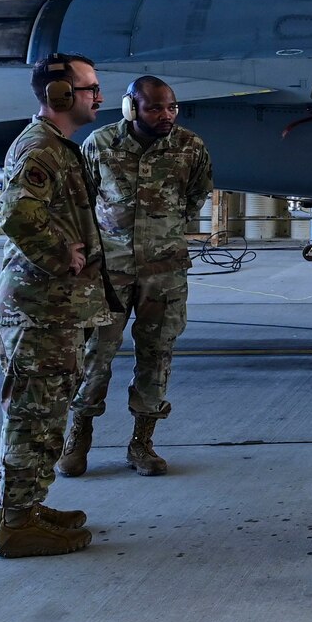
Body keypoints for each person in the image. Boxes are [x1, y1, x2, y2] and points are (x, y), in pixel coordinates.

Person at [60, 76, 214, 479]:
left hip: (164, 274)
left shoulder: (189, 147)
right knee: (94, 357)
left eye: (171, 108)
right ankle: (78, 437)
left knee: (157, 357)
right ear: (132, 108)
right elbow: (83, 202)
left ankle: (142, 442)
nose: (166, 116)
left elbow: (196, 197)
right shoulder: (100, 145)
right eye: (155, 108)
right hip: (109, 275)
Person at [0, 53, 113, 557]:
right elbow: (18, 216)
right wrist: (62, 256)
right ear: (60, 95)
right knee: (33, 418)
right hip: (42, 311)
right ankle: (19, 525)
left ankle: (25, 506)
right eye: (89, 89)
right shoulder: (39, 149)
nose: (98, 97)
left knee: (42, 416)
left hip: (56, 310)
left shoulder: (59, 147)